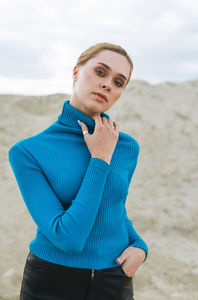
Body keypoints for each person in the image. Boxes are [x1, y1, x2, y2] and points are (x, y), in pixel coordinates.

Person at [8, 42, 148, 300]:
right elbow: (68, 238)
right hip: (51, 282)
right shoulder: (28, 152)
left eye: (119, 82)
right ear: (76, 72)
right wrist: (100, 158)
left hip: (114, 280)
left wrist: (139, 245)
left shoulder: (127, 147)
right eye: (100, 72)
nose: (107, 84)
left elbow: (112, 206)